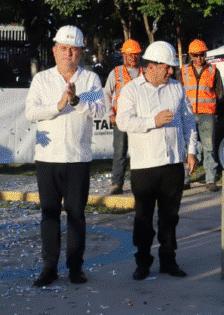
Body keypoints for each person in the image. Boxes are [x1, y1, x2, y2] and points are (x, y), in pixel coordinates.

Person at [24, 25, 106, 287]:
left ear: (81, 52)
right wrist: (58, 105)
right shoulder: (42, 80)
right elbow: (31, 112)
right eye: (63, 48)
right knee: (49, 214)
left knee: (76, 215)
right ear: (54, 50)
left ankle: (75, 268)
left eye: (74, 49)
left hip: (78, 159)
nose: (68, 53)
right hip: (48, 159)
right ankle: (49, 268)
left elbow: (99, 108)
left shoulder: (91, 80)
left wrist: (75, 101)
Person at [116, 41, 197, 281]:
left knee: (170, 217)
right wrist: (153, 121)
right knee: (144, 217)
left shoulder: (177, 89)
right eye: (167, 67)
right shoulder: (132, 90)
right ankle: (142, 262)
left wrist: (191, 151)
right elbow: (123, 122)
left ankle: (168, 260)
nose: (171, 72)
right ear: (151, 66)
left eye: (172, 67)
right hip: (145, 166)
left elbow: (189, 121)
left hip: (172, 164)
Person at [180, 39, 223, 191]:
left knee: (208, 147)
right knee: (187, 147)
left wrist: (210, 108)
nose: (199, 58)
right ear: (191, 55)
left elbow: (219, 93)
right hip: (188, 115)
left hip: (207, 115)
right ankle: (185, 179)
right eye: (196, 55)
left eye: (202, 55)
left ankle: (210, 180)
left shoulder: (213, 71)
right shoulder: (183, 71)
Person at [104, 39, 143, 195]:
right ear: (123, 55)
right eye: (129, 55)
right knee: (119, 152)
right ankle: (116, 183)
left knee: (139, 153)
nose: (132, 58)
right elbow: (106, 94)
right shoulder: (116, 73)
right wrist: (110, 114)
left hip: (139, 120)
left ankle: (139, 184)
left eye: (135, 55)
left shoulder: (145, 73)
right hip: (120, 119)